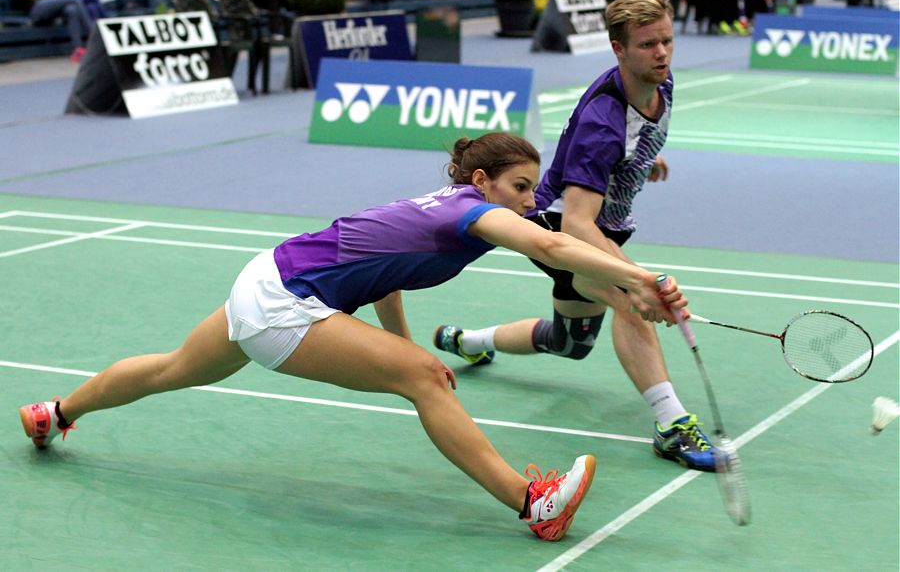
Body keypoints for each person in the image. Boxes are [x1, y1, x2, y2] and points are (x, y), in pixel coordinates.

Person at [18, 132, 688, 541]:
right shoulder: (469, 213)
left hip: (267, 275)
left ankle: (55, 412)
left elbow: (382, 278)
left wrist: (632, 293)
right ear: (480, 182)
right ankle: (531, 501)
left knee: (170, 369)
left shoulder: (435, 209)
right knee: (421, 380)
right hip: (282, 302)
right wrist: (645, 277)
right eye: (518, 186)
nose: (526, 198)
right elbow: (553, 241)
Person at [433, 0, 721, 473]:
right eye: (648, 44)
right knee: (632, 303)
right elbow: (577, 223)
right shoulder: (601, 126)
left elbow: (633, 138)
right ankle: (671, 425)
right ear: (617, 48)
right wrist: (637, 279)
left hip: (606, 224)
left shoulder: (660, 83)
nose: (662, 53)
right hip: (558, 225)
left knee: (571, 342)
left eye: (667, 41)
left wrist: (641, 159)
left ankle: (471, 340)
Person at [10, 0, 97, 61]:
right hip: (34, 9)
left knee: (71, 10)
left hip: (47, 5)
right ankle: (93, 33)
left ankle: (78, 49)